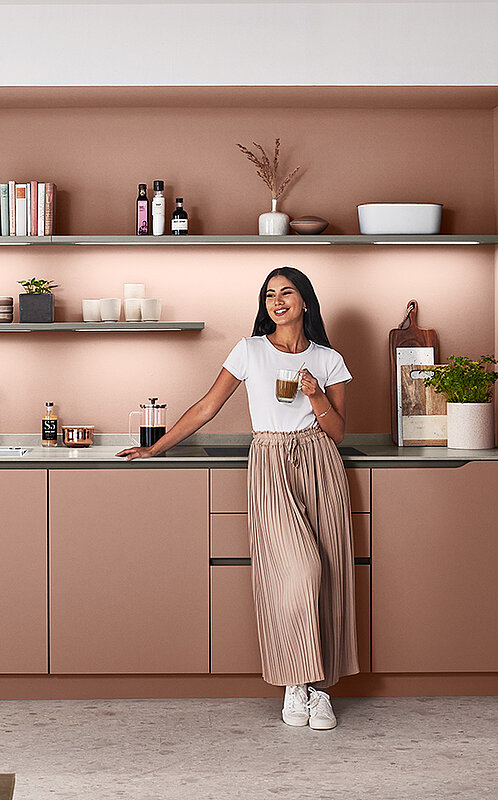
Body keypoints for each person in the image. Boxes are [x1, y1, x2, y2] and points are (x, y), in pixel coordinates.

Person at [117, 265, 359, 731]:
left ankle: (319, 689)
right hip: (270, 461)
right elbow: (208, 406)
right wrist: (155, 447)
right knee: (297, 570)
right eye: (270, 295)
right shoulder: (249, 351)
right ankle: (296, 681)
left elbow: (339, 432)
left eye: (287, 293)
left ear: (305, 301)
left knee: (327, 574)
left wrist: (315, 397)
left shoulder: (329, 360)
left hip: (320, 462)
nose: (277, 301)